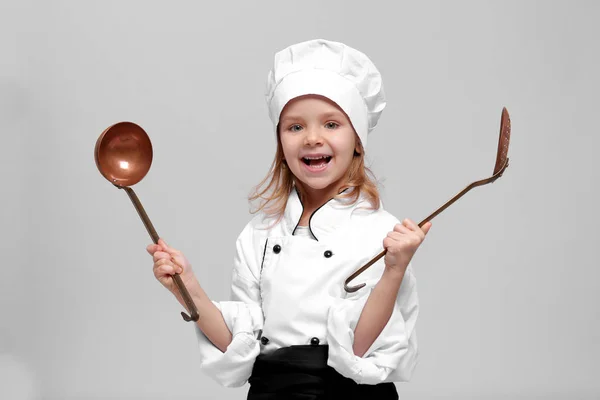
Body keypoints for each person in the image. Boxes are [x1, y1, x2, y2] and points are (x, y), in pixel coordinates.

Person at [146, 39, 432, 400]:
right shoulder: (259, 234)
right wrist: (185, 287)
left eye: (331, 124)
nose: (312, 138)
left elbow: (359, 351)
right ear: (280, 143)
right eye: (295, 127)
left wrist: (394, 270)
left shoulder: (384, 236)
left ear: (358, 140)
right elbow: (240, 347)